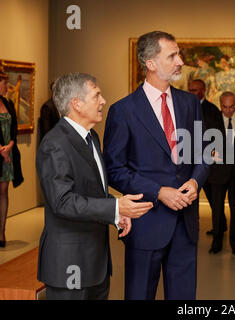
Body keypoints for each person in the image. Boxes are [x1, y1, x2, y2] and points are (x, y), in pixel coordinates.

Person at [103, 31, 209, 300]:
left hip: (186, 225)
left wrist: (196, 181)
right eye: (172, 55)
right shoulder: (123, 111)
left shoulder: (190, 104)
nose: (180, 61)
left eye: (179, 54)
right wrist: (159, 191)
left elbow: (204, 153)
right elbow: (114, 169)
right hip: (146, 223)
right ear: (150, 63)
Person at [36, 73, 153, 300]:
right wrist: (115, 207)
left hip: (96, 266)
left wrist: (115, 214)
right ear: (76, 104)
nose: (103, 101)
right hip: (71, 266)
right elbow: (63, 202)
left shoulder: (91, 138)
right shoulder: (54, 144)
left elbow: (91, 192)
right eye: (96, 95)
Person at [208, 92, 235, 255]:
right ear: (220, 105)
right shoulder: (212, 120)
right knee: (217, 209)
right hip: (217, 171)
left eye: (231, 107)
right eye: (225, 107)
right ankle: (216, 243)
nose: (228, 110)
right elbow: (205, 141)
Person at [188, 79, 222, 236]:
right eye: (190, 90)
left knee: (214, 200)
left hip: (208, 162)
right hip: (189, 161)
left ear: (203, 91)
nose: (192, 93)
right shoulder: (186, 107)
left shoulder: (212, 110)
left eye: (195, 90)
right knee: (192, 198)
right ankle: (193, 228)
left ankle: (220, 227)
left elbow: (216, 136)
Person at [0, 69, 24, 248]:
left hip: (7, 156)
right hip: (1, 153)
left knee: (3, 191)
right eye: (3, 82)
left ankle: (1, 231)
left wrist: (10, 145)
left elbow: (14, 127)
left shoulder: (7, 103)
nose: (6, 86)